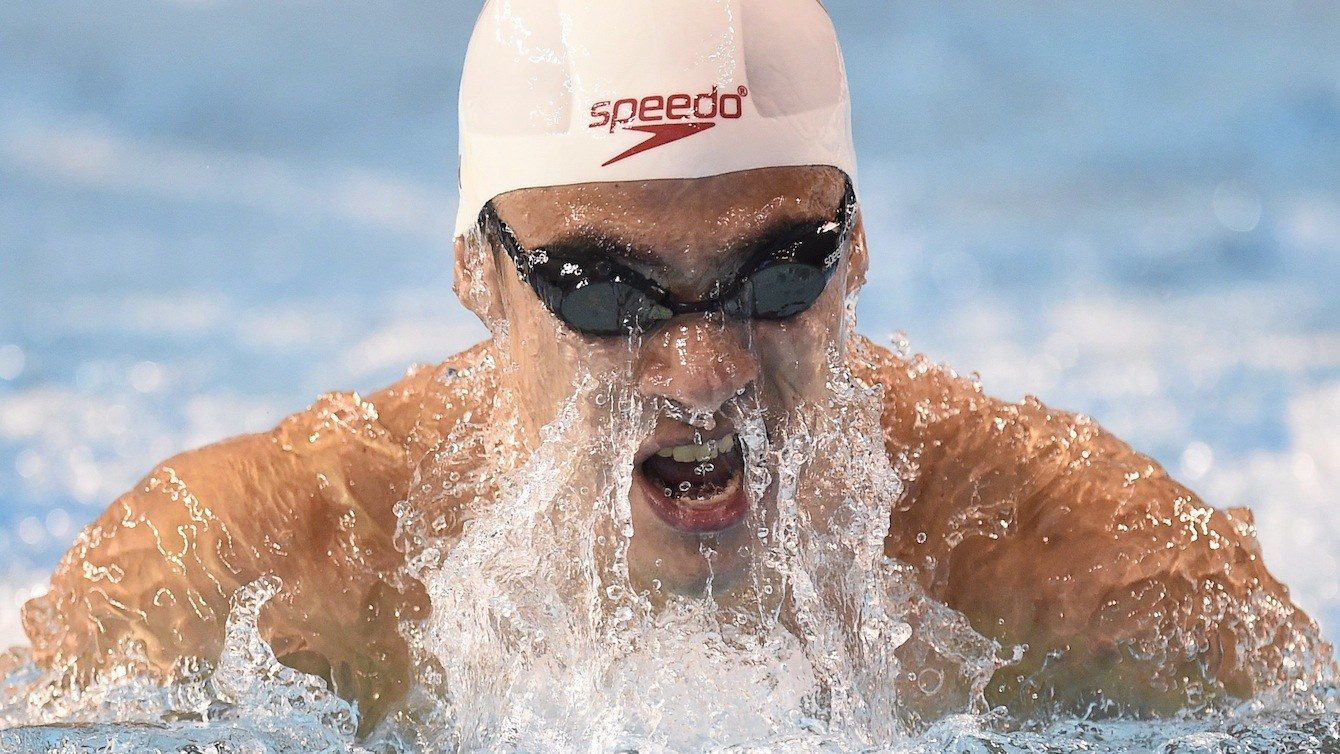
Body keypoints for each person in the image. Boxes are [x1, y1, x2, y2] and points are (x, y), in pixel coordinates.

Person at [21, 0, 1333, 738]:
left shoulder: (1075, 570)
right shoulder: (252, 572)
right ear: (479, 273)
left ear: (857, 250)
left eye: (780, 273)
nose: (704, 371)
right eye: (605, 292)